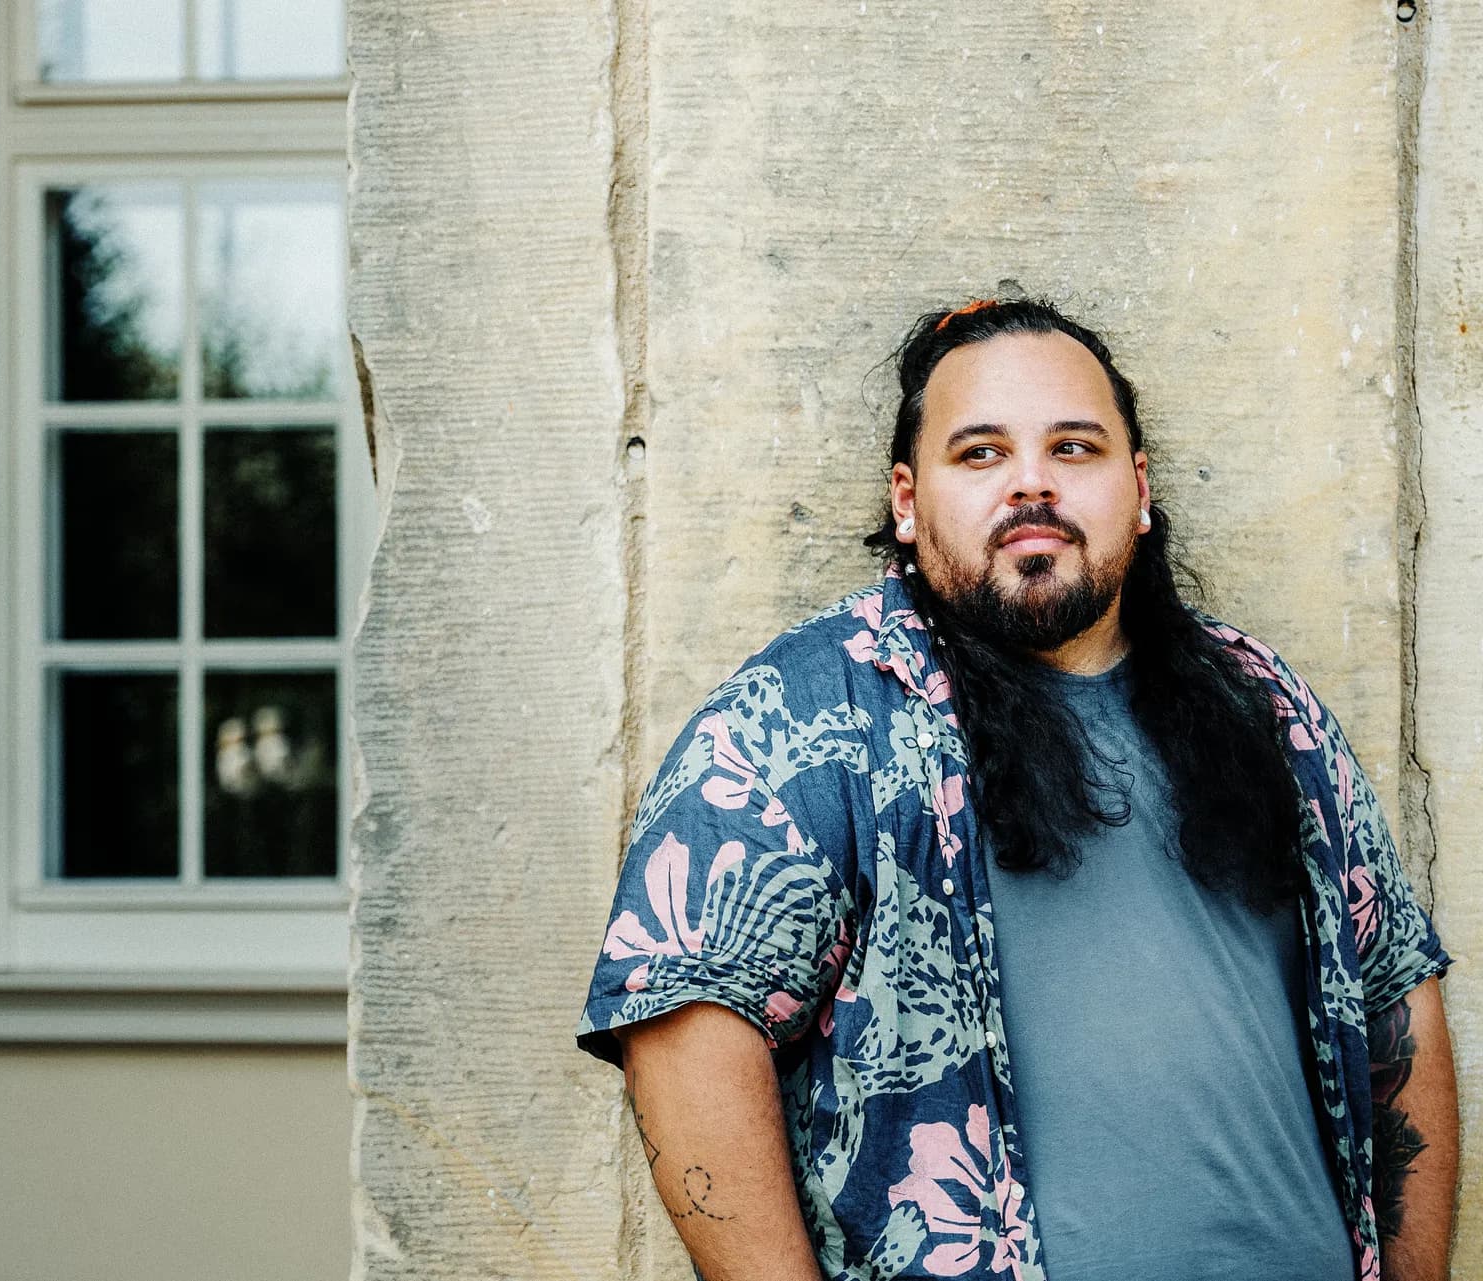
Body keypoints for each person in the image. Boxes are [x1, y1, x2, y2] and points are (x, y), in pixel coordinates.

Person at [574, 298, 1458, 1281]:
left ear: (1139, 486)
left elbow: (1393, 997)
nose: (1031, 483)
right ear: (908, 501)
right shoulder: (806, 718)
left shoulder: (1266, 705)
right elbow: (686, 1018)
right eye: (981, 453)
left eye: (1074, 448)